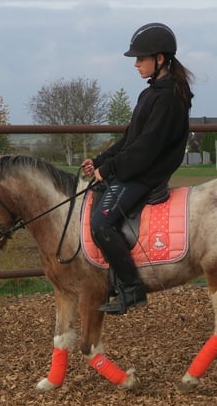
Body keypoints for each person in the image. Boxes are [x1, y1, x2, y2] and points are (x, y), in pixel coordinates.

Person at [81, 22, 194, 315]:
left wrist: (110, 169)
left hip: (146, 174)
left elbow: (145, 149)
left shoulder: (168, 97)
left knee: (101, 223)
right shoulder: (152, 93)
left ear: (159, 59)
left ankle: (132, 288)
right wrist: (101, 161)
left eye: (140, 58)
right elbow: (130, 139)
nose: (135, 64)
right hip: (137, 167)